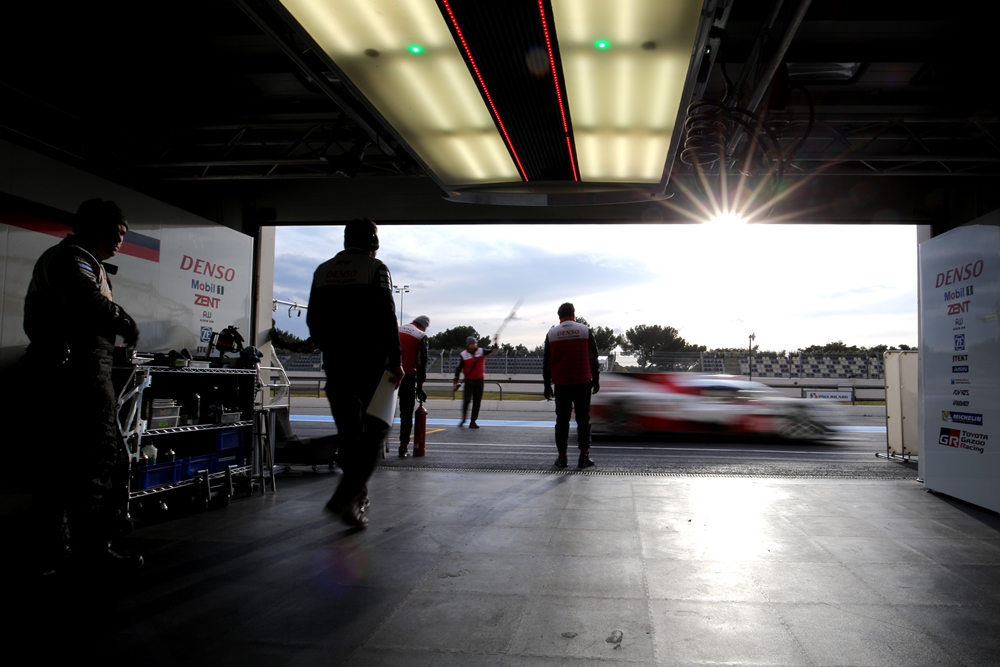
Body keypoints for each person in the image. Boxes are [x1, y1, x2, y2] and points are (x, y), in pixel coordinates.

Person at [22, 198, 143, 571]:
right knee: (97, 460)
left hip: (58, 370)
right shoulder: (74, 258)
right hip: (79, 372)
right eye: (115, 232)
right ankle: (94, 553)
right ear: (93, 228)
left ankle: (56, 550)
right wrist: (127, 323)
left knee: (57, 467)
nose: (120, 241)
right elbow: (87, 299)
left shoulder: (64, 258)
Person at [307, 219, 402, 528]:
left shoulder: (322, 271)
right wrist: (396, 359)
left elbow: (313, 319)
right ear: (373, 244)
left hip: (336, 361)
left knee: (349, 433)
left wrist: (330, 347)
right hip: (371, 360)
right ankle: (346, 497)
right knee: (376, 431)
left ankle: (355, 498)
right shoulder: (376, 270)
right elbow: (387, 315)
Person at [542, 303, 600, 468]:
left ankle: (562, 458)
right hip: (583, 381)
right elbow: (593, 357)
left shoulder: (552, 333)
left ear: (559, 316)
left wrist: (547, 385)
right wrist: (595, 379)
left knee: (562, 421)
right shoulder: (585, 330)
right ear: (574, 314)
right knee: (583, 420)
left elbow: (546, 362)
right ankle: (583, 457)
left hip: (561, 383)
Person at [397, 315, 430, 457]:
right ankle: (403, 446)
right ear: (423, 326)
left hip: (387, 373)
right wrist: (420, 386)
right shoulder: (421, 335)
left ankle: (376, 446)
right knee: (406, 412)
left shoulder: (397, 329)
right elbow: (421, 363)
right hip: (407, 376)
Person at [453, 336, 498, 428]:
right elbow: (458, 369)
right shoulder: (463, 354)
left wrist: (496, 343)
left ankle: (473, 421)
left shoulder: (481, 351)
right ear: (468, 345)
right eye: (472, 344)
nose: (474, 345)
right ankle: (464, 417)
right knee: (466, 400)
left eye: (475, 343)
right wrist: (455, 382)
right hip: (469, 381)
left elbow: (493, 352)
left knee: (477, 401)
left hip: (479, 380)